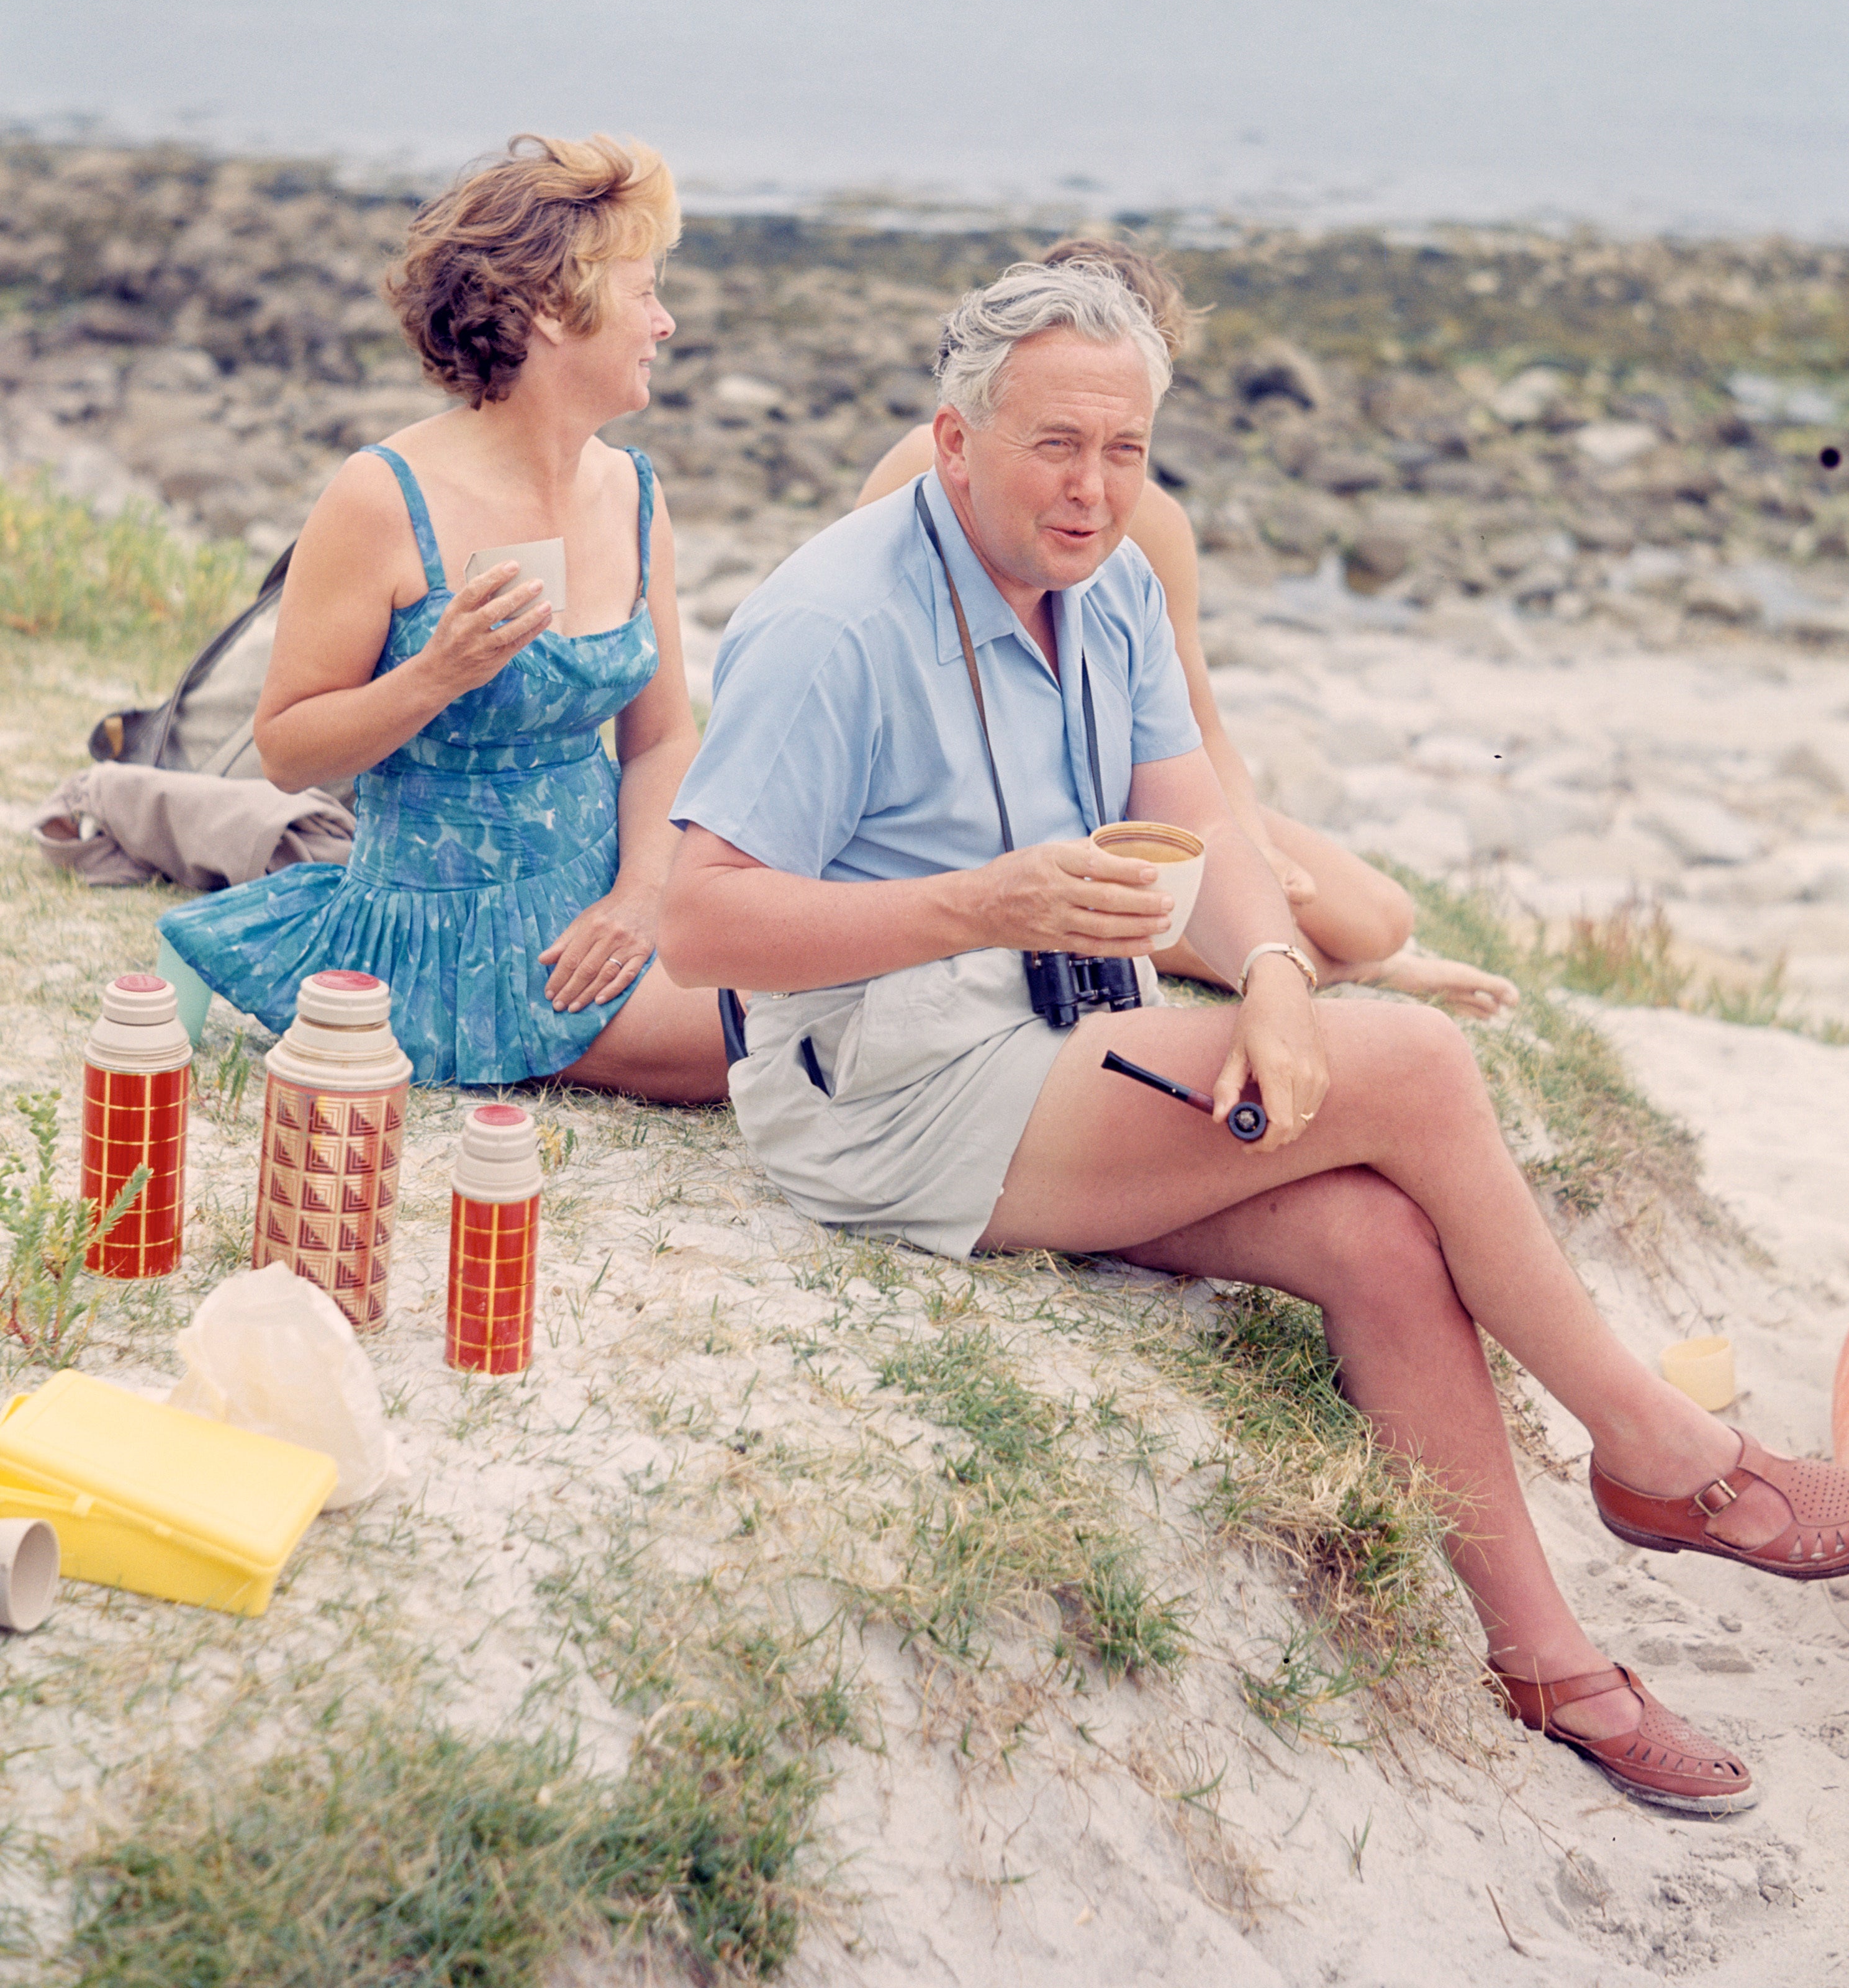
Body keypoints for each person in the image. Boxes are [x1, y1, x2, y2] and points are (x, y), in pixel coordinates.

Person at [659, 259, 1849, 1817]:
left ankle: (1547, 1659)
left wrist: (1277, 971)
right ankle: (1654, 1445)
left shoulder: (1115, 586)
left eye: (1126, 452)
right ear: (954, 439)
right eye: (1054, 446)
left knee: (1372, 1238)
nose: (1093, 491)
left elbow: (1197, 825)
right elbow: (699, 924)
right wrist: (981, 905)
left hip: (1066, 1044)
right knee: (1417, 1064)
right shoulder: (832, 620)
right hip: (884, 1097)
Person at [162, 133, 728, 1101]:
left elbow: (664, 735)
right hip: (451, 935)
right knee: (795, 1032)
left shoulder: (634, 492)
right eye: (644, 292)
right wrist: (438, 673)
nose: (665, 323)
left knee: (834, 959)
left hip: (611, 898)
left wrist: (641, 898)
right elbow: (290, 750)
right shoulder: (382, 494)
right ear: (554, 307)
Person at [854, 238, 1517, 1020]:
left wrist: (1251, 845)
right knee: (1288, 945)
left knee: (1378, 916)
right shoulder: (929, 465)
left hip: (1125, 781)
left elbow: (1197, 724)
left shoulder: (1154, 527)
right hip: (989, 810)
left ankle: (1368, 961)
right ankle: (1357, 974)